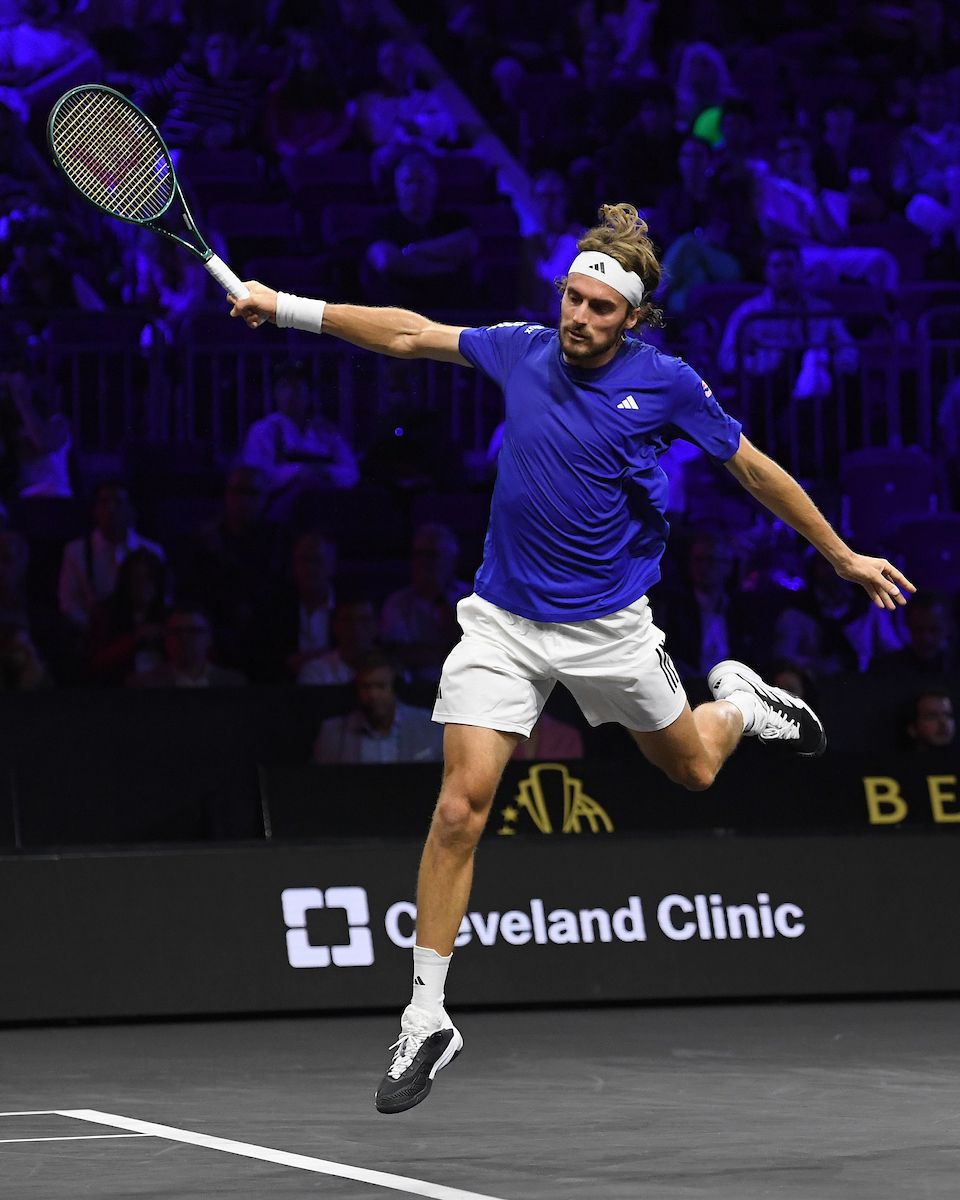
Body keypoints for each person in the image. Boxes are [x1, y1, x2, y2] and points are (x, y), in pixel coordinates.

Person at [228, 200, 914, 1115]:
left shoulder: (666, 383)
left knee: (698, 769)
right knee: (459, 810)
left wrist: (841, 555)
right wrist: (285, 306)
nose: (579, 318)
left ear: (631, 317)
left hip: (609, 629)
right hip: (504, 623)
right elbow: (407, 334)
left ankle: (743, 703)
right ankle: (427, 1014)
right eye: (572, 298)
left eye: (599, 308)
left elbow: (752, 469)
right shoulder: (519, 347)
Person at [240, 360, 359, 515]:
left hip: (325, 505)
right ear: (275, 392)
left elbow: (351, 472)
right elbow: (257, 475)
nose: (290, 394)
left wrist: (323, 472)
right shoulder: (264, 430)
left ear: (309, 393)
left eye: (296, 387)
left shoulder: (326, 431)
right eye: (284, 387)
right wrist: (298, 472)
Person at [58, 480, 165, 631]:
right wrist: (93, 628)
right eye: (104, 502)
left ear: (131, 510)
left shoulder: (153, 551)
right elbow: (69, 602)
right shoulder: (75, 551)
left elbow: (161, 598)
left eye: (118, 502)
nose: (111, 509)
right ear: (95, 510)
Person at [313, 651, 442, 763]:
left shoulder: (428, 726)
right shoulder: (332, 733)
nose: (373, 695)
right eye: (366, 687)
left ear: (397, 688)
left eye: (381, 686)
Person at [380, 523, 470, 684]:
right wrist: (452, 650)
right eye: (418, 554)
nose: (423, 561)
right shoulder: (397, 602)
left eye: (432, 554)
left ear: (452, 559)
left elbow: (477, 651)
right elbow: (397, 654)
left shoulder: (473, 598)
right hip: (414, 689)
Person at [128, 607, 246, 688]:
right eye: (177, 632)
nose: (184, 638)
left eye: (193, 631)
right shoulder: (142, 684)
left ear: (209, 638)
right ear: (166, 639)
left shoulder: (233, 683)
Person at [299, 597, 379, 685]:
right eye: (348, 620)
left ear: (376, 626)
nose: (356, 627)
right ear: (335, 626)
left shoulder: (392, 669)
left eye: (364, 620)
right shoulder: (315, 672)